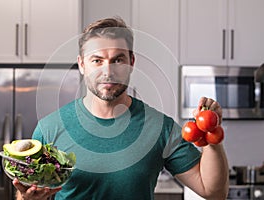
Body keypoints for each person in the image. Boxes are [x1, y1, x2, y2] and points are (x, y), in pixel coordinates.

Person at [14, 17, 229, 200]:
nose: (108, 71)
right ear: (81, 65)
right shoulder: (50, 128)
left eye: (118, 60)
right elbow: (29, 191)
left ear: (131, 62)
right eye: (97, 61)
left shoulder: (160, 127)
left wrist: (211, 135)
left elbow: (213, 192)